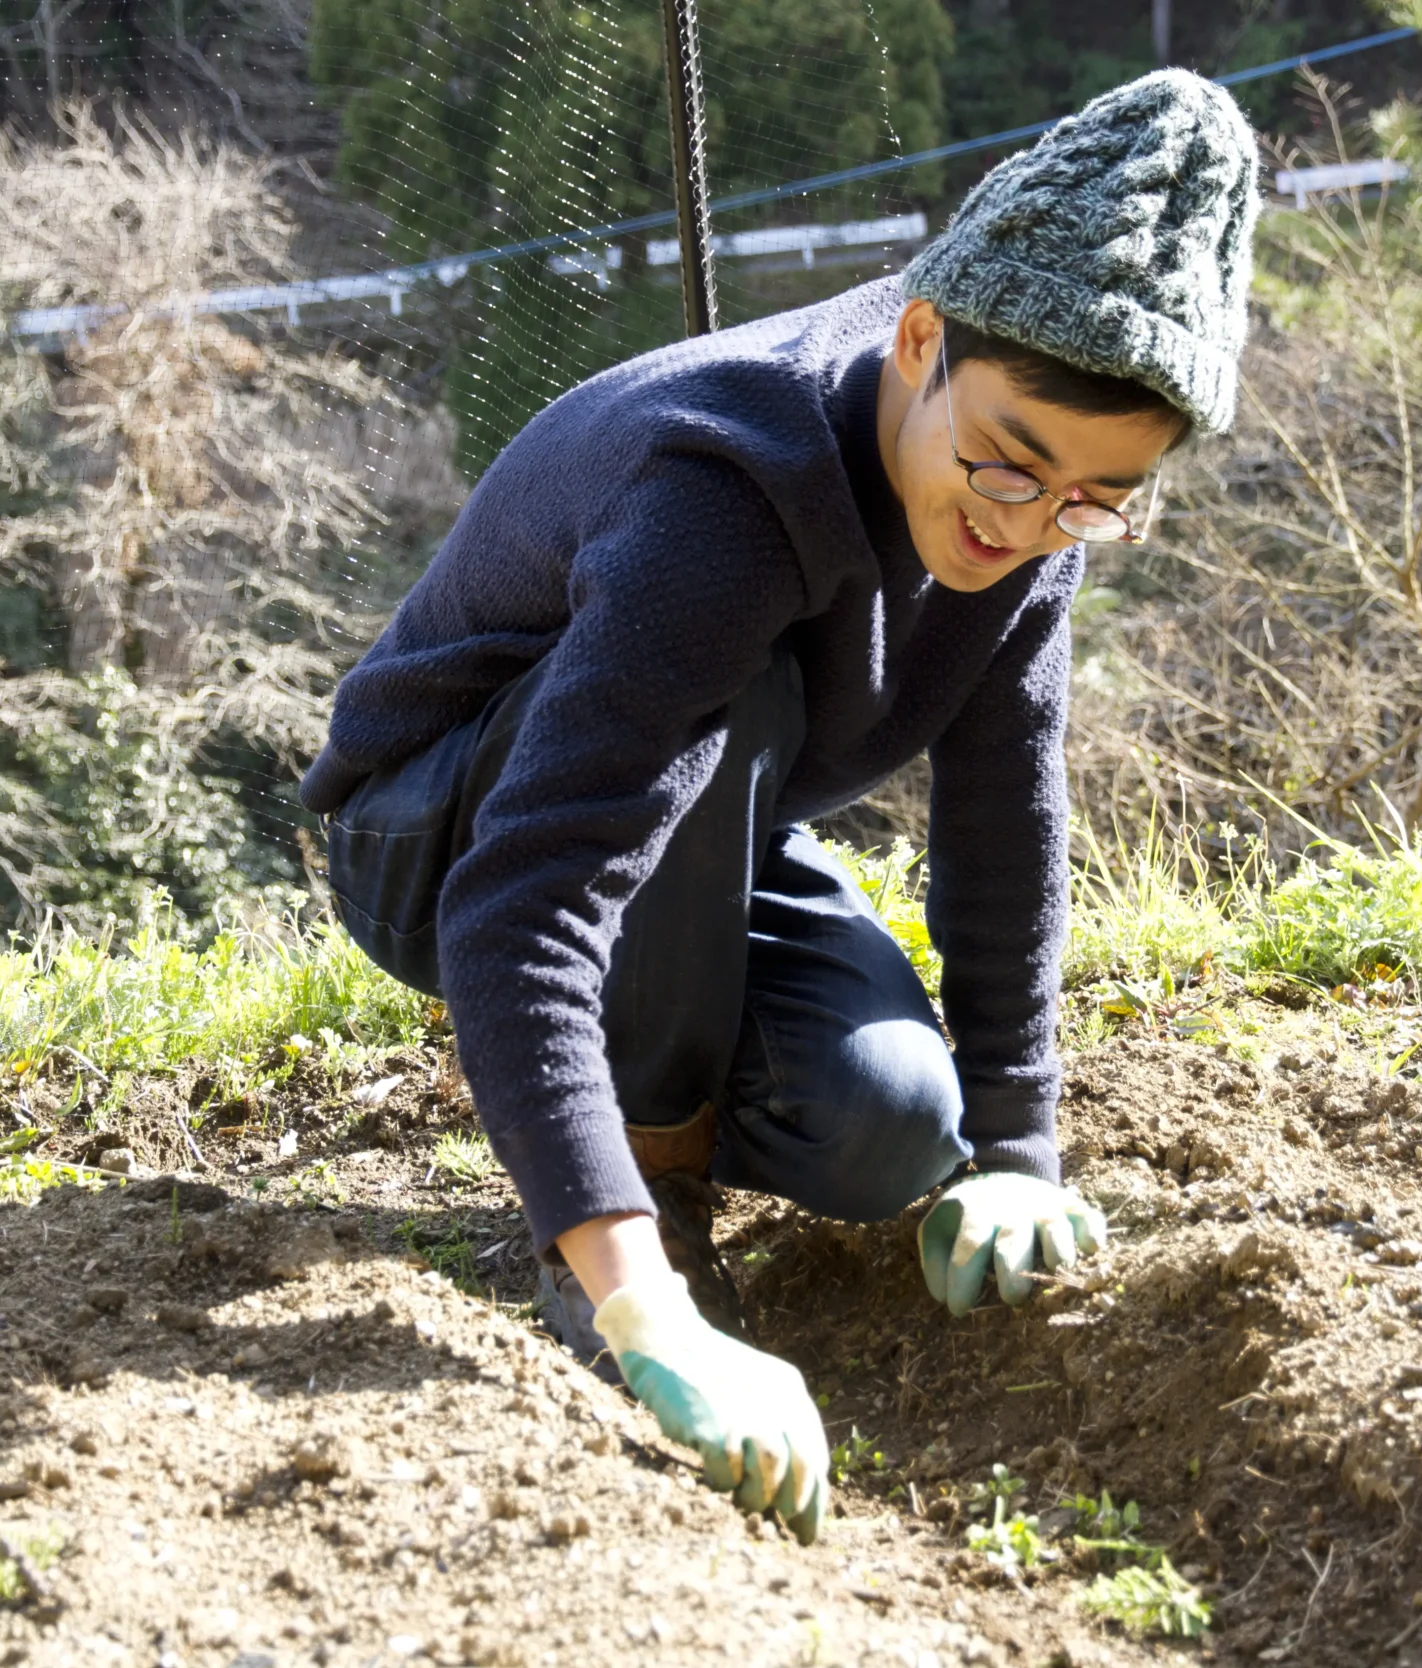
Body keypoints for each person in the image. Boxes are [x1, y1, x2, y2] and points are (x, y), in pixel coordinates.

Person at [301, 69, 1259, 1543]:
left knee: (888, 1123)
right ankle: (642, 1190)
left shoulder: (1038, 491)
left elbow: (1006, 812)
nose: (1024, 526)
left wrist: (1014, 1149)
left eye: (1094, 500)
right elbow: (527, 892)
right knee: (730, 705)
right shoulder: (726, 494)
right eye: (1007, 464)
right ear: (921, 338)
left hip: (695, 812)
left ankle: (648, 1104)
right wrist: (645, 1303)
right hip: (439, 829)